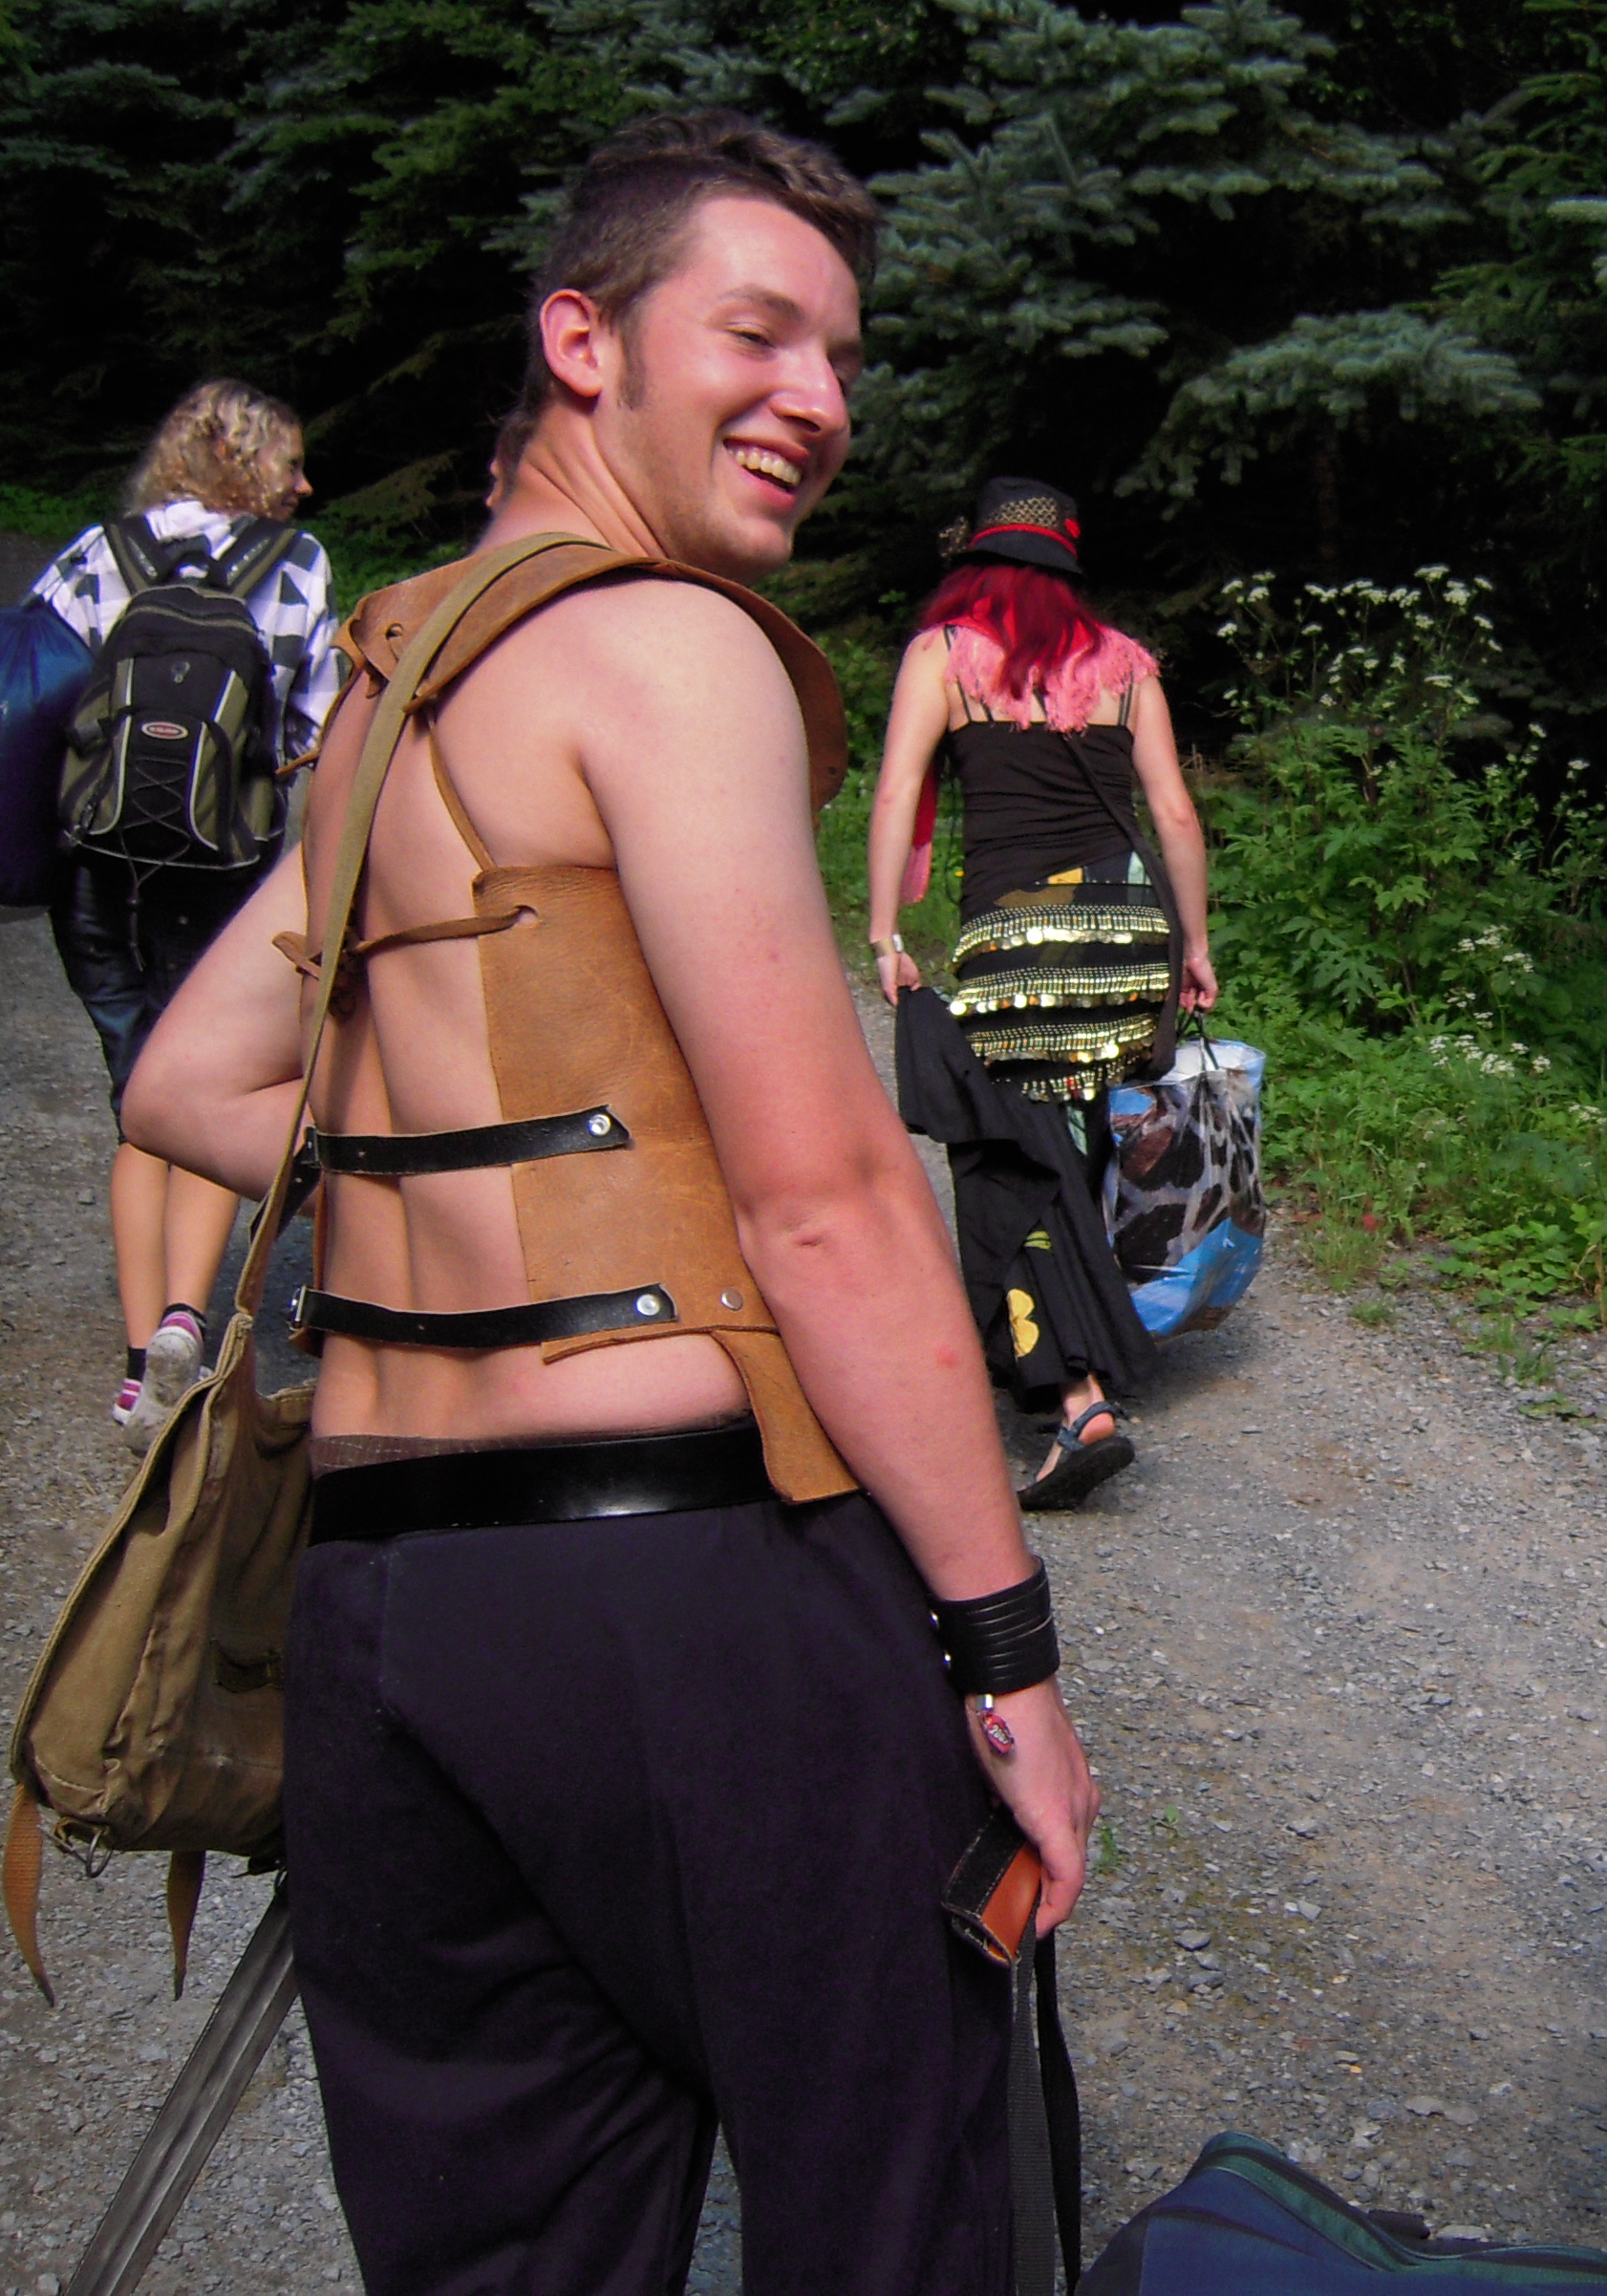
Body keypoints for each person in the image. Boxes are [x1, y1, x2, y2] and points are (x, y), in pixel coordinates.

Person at [123, 110, 1096, 2292]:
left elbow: (190, 1079)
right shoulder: (675, 648)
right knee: (900, 2220)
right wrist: (1004, 1648)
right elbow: (830, 1199)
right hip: (689, 1591)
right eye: (758, 333)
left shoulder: (398, 686)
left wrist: (473, 1182)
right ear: (585, 338)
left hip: (388, 1622)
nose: (819, 398)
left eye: (842, 356)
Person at [865, 481, 1216, 1510]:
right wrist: (1194, 944)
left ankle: (1076, 1395)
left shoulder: (944, 655)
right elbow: (1174, 812)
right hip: (1130, 928)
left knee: (1006, 1154)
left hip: (1023, 940)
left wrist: (884, 931)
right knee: (1076, 1134)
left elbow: (898, 789)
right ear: (1067, 567)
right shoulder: (1125, 664)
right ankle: (1075, 1331)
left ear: (974, 561)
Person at [32, 378, 339, 1448]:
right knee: (209, 1086)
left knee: (139, 1100)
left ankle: (136, 1372)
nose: (305, 484)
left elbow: (37, 693)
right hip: (224, 865)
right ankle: (183, 1322)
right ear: (244, 461)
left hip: (97, 863)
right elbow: (317, 724)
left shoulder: (97, 553)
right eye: (289, 461)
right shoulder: (295, 565)